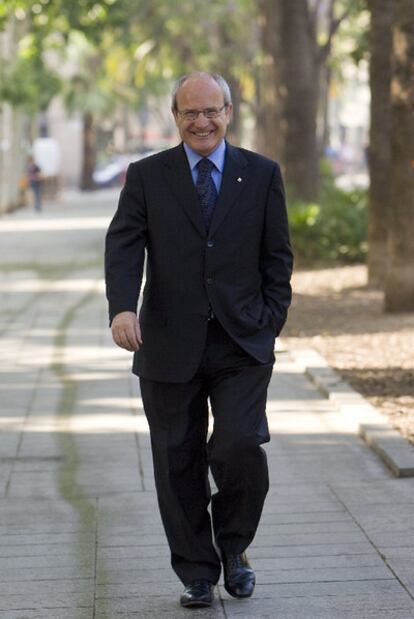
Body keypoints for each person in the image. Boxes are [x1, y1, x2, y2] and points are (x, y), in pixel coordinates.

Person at [105, 72, 293, 609]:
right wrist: (122, 306)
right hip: (167, 342)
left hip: (241, 342)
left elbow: (278, 257)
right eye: (190, 113)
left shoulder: (261, 174)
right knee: (176, 459)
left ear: (228, 112)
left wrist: (269, 320)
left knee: (237, 444)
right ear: (175, 117)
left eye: (211, 111)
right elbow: (123, 245)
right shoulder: (147, 176)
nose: (202, 122)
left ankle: (234, 548)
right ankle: (195, 571)